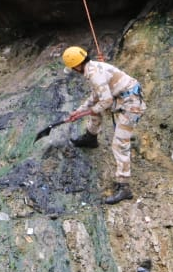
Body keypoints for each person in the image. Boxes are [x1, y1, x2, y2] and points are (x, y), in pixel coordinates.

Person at [62, 46, 146, 205]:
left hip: (131, 104)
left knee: (119, 143)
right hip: (120, 97)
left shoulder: (95, 74)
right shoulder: (92, 67)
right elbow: (96, 96)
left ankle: (124, 186)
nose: (73, 70)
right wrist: (79, 110)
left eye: (73, 68)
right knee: (95, 110)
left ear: (77, 65)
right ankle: (91, 137)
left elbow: (105, 101)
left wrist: (89, 111)